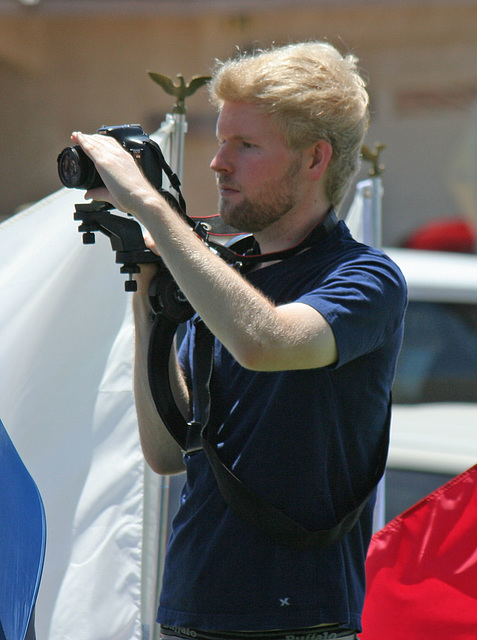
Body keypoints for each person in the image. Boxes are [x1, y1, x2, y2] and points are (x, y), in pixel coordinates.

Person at [70, 41, 407, 640]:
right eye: (221, 140)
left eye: (245, 145)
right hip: (190, 609)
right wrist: (148, 295)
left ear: (314, 159)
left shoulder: (365, 278)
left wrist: (149, 206)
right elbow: (169, 453)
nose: (218, 164)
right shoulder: (228, 276)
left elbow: (268, 343)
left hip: (298, 621)